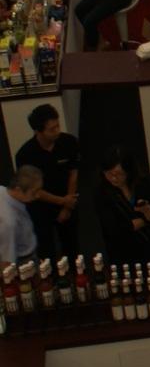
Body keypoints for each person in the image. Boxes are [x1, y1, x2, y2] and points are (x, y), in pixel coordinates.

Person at [15, 103, 79, 264]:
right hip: (41, 208)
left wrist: (67, 205)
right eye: (52, 129)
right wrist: (62, 201)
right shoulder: (25, 154)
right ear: (38, 131)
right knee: (46, 251)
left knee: (73, 248)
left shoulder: (69, 142)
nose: (57, 131)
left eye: (58, 126)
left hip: (68, 201)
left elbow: (73, 173)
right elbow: (34, 190)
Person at [96, 144, 150, 271]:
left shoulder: (141, 183)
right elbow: (113, 229)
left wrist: (147, 212)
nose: (113, 178)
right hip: (122, 252)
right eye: (109, 174)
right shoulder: (102, 192)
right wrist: (144, 220)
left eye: (119, 174)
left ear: (128, 171)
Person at [0, 165, 42, 266]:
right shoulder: (10, 223)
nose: (38, 196)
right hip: (23, 261)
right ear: (18, 190)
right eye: (34, 192)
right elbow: (7, 262)